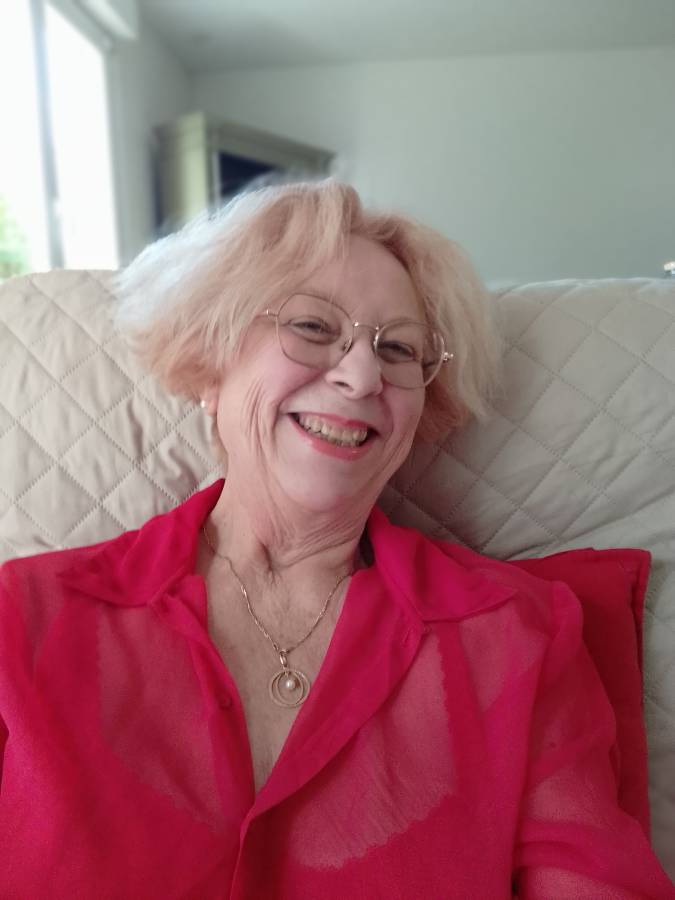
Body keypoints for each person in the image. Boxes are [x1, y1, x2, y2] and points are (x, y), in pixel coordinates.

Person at [0, 179, 673, 899]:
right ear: (211, 365)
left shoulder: (518, 636)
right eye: (313, 327)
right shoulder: (21, 617)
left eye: (398, 348)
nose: (361, 375)